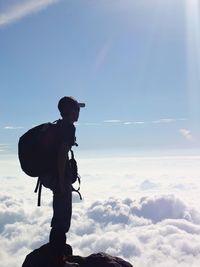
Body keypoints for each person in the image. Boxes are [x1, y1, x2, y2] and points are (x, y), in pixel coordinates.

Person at [39, 96, 85, 254]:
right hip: (57, 176)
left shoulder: (57, 126)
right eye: (77, 109)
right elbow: (61, 154)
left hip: (49, 175)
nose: (79, 113)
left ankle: (56, 251)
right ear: (70, 111)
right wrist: (60, 180)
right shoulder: (67, 127)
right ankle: (57, 255)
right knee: (62, 216)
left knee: (60, 213)